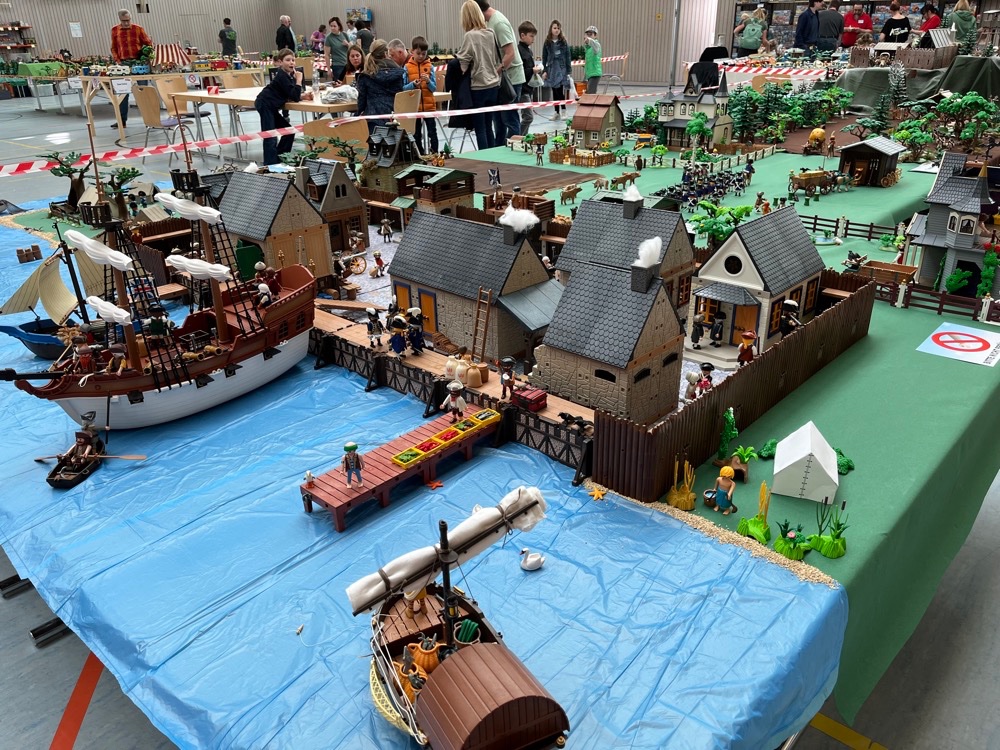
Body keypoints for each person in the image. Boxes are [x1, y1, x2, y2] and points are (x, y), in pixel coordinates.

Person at [477, 1, 525, 143]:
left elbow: (510, 54)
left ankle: (513, 148)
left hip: (511, 79)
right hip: (501, 79)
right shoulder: (491, 22)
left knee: (509, 119)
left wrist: (493, 74)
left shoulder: (498, 23)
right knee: (499, 122)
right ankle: (499, 149)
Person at [254, 49, 311, 165]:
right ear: (280, 62)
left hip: (272, 106)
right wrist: (299, 81)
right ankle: (270, 165)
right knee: (270, 136)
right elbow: (294, 96)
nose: (291, 63)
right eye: (288, 60)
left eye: (293, 60)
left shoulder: (288, 76)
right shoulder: (282, 76)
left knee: (289, 131)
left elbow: (290, 94)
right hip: (265, 103)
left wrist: (302, 96)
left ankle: (280, 158)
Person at [457, 0, 500, 150]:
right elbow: (496, 58)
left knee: (480, 129)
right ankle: (493, 157)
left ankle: (484, 159)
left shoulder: (470, 36)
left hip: (478, 87)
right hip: (493, 85)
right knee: (489, 127)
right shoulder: (490, 33)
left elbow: (463, 65)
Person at [109, 9, 152, 128]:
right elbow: (113, 48)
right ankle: (122, 121)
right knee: (122, 92)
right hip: (123, 64)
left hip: (139, 63)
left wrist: (146, 56)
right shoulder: (115, 30)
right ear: (120, 19)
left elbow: (149, 44)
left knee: (143, 91)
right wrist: (118, 61)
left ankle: (150, 120)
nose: (127, 23)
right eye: (124, 21)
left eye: (128, 20)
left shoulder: (138, 29)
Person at [355, 39, 405, 132]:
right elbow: (400, 96)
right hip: (397, 122)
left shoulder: (366, 76)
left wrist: (357, 114)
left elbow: (361, 102)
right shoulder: (398, 74)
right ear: (386, 54)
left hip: (374, 123)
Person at [404, 36, 439, 155]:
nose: (421, 56)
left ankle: (435, 153)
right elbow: (403, 88)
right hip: (415, 108)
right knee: (416, 133)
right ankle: (420, 154)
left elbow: (434, 88)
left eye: (423, 54)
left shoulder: (430, 67)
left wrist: (428, 81)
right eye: (418, 53)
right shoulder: (407, 68)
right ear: (412, 51)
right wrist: (413, 85)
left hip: (429, 107)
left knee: (432, 132)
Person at [542, 19, 571, 121]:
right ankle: (556, 112)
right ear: (551, 29)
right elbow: (544, 57)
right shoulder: (547, 43)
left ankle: (564, 110)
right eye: (555, 28)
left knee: (559, 90)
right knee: (554, 91)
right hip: (551, 69)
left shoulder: (563, 42)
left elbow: (568, 56)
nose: (556, 30)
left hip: (561, 69)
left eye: (558, 28)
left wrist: (568, 71)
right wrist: (545, 70)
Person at [516, 21, 537, 137]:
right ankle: (518, 137)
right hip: (522, 89)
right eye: (531, 36)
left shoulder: (529, 51)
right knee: (528, 117)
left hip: (528, 89)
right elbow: (520, 71)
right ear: (523, 35)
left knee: (526, 117)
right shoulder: (518, 51)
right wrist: (532, 70)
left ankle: (522, 137)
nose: (533, 39)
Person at [324, 17, 350, 82]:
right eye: (331, 26)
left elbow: (352, 48)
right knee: (339, 84)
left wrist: (347, 44)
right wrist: (329, 69)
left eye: (334, 26)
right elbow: (327, 55)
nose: (332, 28)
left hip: (348, 64)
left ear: (339, 26)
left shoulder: (344, 34)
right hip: (337, 65)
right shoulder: (329, 38)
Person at [583, 25, 603, 94]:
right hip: (590, 74)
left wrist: (589, 40)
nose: (588, 36)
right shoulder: (588, 48)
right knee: (589, 93)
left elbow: (594, 44)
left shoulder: (596, 45)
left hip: (594, 74)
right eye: (587, 34)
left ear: (595, 35)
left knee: (591, 94)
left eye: (590, 34)